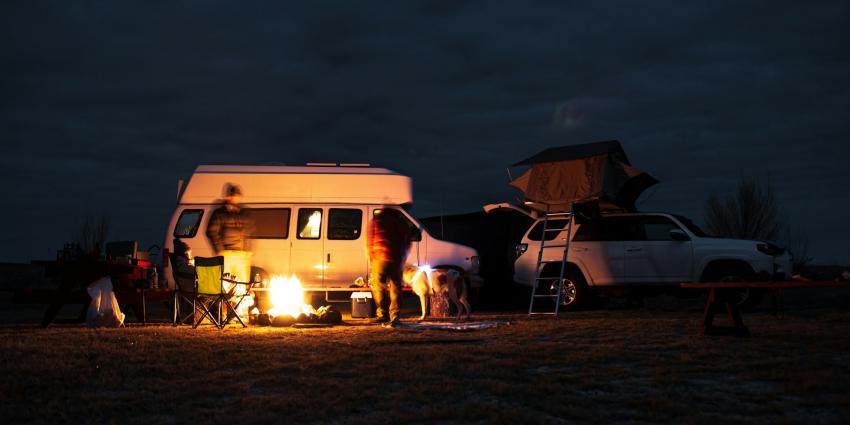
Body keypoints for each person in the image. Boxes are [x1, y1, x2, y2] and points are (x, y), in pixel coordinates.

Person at [367, 207, 412, 326]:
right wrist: (403, 255)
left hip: (380, 257)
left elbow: (369, 239)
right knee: (396, 287)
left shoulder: (377, 220)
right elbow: (408, 240)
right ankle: (395, 315)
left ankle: (382, 314)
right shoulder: (401, 222)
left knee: (379, 286)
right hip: (396, 258)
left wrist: (371, 256)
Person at [206, 183, 251, 253]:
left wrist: (246, 249)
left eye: (239, 196)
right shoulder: (219, 213)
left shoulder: (240, 213)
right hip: (226, 253)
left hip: (240, 252)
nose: (238, 198)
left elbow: (246, 233)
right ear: (228, 197)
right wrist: (220, 250)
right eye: (236, 196)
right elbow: (211, 232)